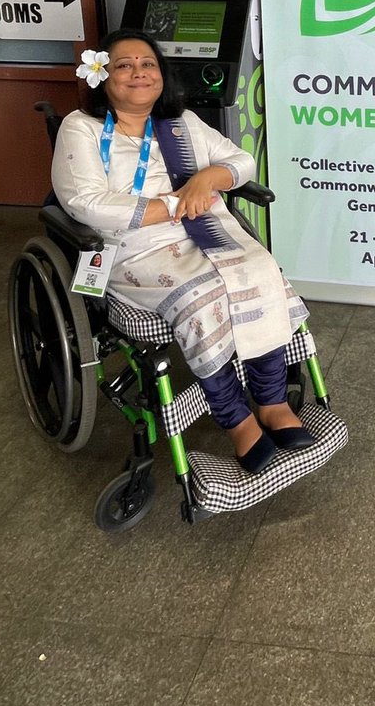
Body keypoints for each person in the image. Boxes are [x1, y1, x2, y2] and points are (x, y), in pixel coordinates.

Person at [52, 28, 315, 475]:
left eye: (148, 64)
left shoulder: (182, 122)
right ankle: (236, 418)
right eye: (123, 65)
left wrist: (207, 180)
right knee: (203, 297)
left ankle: (271, 401)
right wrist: (174, 203)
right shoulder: (82, 129)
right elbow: (86, 202)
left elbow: (241, 160)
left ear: (162, 75)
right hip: (136, 249)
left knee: (262, 273)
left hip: (205, 228)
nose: (139, 72)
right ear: (102, 76)